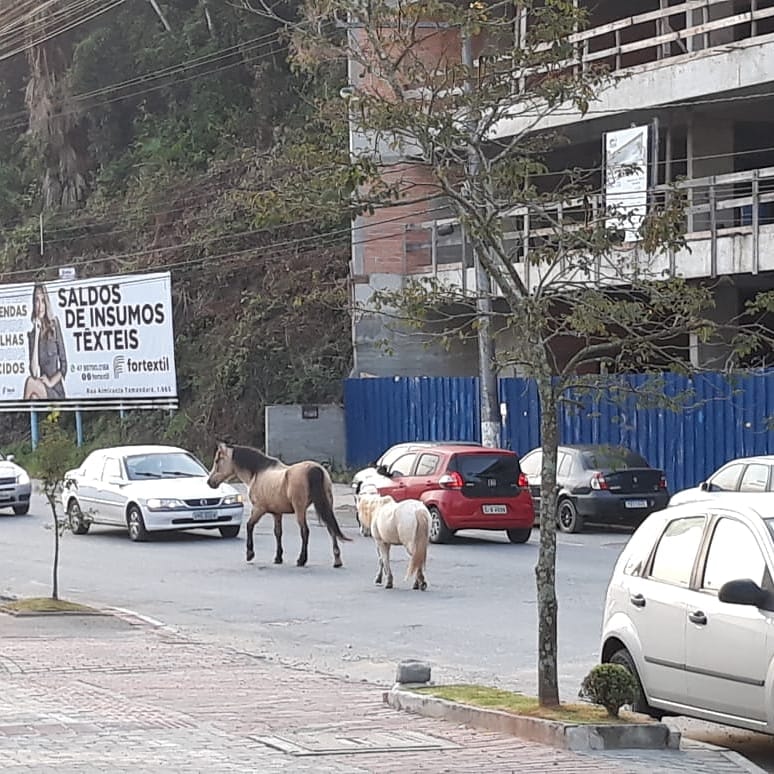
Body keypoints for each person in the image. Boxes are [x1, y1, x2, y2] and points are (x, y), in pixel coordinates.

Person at [23, 283, 67, 400]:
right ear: (33, 304)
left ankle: (20, 411)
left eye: (43, 301)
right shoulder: (32, 335)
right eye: (37, 301)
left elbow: (64, 365)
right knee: (33, 396)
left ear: (46, 303)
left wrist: (51, 382)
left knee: (30, 382)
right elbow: (34, 373)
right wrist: (37, 333)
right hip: (41, 388)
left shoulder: (54, 325)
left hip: (55, 391)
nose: (40, 306)